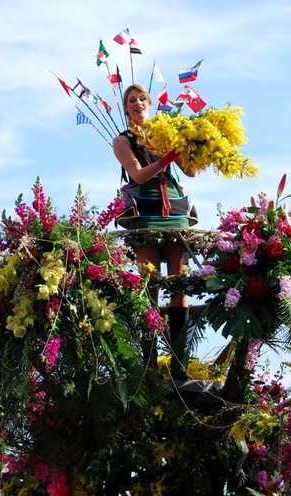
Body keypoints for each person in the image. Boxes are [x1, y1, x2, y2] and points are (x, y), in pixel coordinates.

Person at [113, 83, 196, 379]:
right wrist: (165, 158)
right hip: (145, 211)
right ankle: (149, 365)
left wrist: (189, 145)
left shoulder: (166, 131)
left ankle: (180, 367)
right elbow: (137, 174)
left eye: (141, 99)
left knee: (179, 284)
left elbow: (191, 171)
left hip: (174, 207)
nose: (137, 103)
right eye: (131, 100)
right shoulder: (122, 140)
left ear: (149, 103)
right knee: (150, 286)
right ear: (126, 108)